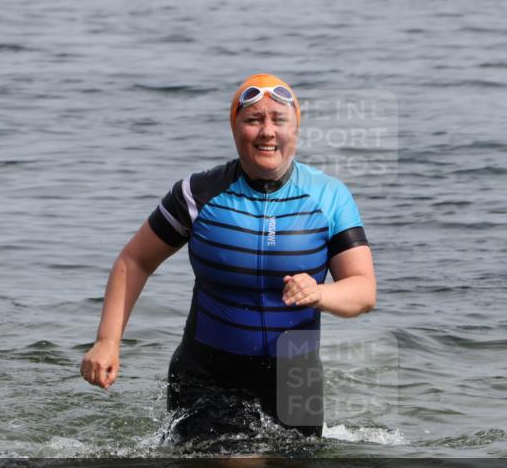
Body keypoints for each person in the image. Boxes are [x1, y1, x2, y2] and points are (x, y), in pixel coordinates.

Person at [80, 74, 376, 444]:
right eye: (253, 120)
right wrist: (107, 340)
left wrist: (320, 293)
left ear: (296, 128)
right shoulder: (198, 194)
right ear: (235, 128)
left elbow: (364, 291)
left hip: (297, 383)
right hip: (209, 374)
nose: (267, 131)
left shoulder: (330, 198)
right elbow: (135, 261)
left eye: (278, 119)